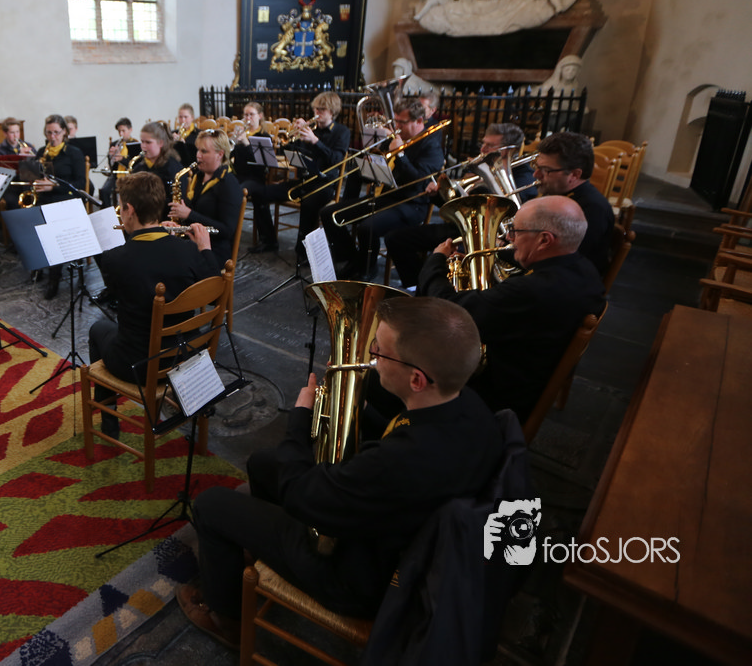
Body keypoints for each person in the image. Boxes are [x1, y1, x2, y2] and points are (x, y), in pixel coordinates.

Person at [179, 297, 504, 648]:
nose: (372, 355)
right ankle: (255, 548)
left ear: (416, 379)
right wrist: (359, 409)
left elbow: (301, 492)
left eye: (380, 351)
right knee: (262, 463)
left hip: (353, 578)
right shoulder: (469, 406)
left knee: (211, 504)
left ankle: (226, 620)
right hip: (390, 534)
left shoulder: (400, 462)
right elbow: (400, 432)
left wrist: (300, 417)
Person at [417, 195, 606, 422]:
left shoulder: (530, 291)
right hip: (529, 375)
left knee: (399, 369)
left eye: (516, 231)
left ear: (544, 240)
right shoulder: (585, 270)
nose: (509, 237)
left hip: (493, 397)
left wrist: (435, 261)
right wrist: (496, 252)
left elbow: (448, 308)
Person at [89, 172, 218, 438]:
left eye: (121, 208)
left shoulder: (115, 259)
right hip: (186, 357)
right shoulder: (187, 251)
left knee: (98, 329)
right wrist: (204, 248)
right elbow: (215, 291)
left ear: (130, 210)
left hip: (139, 364)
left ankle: (110, 421)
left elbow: (118, 294)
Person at [384, 122, 535, 289]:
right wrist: (438, 194)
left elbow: (509, 213)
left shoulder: (523, 175)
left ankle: (436, 288)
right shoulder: (482, 167)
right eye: (483, 143)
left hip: (491, 236)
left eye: (490, 145)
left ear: (508, 150)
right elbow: (455, 207)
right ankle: (416, 286)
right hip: (461, 227)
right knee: (396, 238)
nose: (482, 149)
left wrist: (481, 187)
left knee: (454, 259)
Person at [320, 97, 444, 280]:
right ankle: (352, 259)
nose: (397, 126)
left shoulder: (431, 147)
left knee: (367, 228)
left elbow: (418, 182)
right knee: (329, 214)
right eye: (396, 121)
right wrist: (369, 163)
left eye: (402, 122)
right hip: (385, 197)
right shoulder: (397, 138)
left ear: (419, 121)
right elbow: (377, 167)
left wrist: (400, 154)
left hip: (410, 205)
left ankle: (367, 270)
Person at [243, 91, 351, 257]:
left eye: (321, 109)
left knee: (309, 204)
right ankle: (269, 240)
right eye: (315, 109)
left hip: (325, 184)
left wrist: (315, 141)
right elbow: (290, 153)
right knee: (259, 193)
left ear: (332, 111)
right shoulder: (310, 130)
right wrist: (294, 136)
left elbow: (336, 159)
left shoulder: (341, 131)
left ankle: (304, 252)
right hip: (304, 181)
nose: (316, 113)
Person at [531, 131, 615, 274]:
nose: (536, 175)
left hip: (565, 280)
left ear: (575, 175)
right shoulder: (558, 195)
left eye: (546, 170)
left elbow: (561, 261)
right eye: (536, 167)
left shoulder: (592, 208)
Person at [169, 128, 243, 267]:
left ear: (220, 154)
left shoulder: (228, 184)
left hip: (214, 251)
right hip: (192, 242)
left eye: (204, 151)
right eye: (198, 150)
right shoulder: (198, 177)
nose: (198, 155)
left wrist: (189, 214)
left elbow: (227, 230)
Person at [34, 113, 88, 299]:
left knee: (53, 228)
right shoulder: (42, 152)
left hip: (67, 200)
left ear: (64, 132)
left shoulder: (74, 153)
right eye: (49, 133)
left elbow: (80, 183)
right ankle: (38, 266)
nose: (53, 137)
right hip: (45, 199)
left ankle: (54, 278)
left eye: (56, 132)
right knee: (31, 221)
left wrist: (54, 186)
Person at [129, 121, 183, 202]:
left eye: (148, 142)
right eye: (142, 141)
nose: (143, 146)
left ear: (161, 143)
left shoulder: (173, 168)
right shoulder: (140, 167)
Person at [100, 117, 141, 207]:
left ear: (130, 130)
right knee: (104, 191)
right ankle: (109, 212)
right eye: (119, 131)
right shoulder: (115, 144)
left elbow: (136, 164)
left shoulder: (135, 144)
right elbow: (111, 165)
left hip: (129, 176)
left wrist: (121, 159)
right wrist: (111, 156)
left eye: (123, 131)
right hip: (116, 176)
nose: (121, 134)